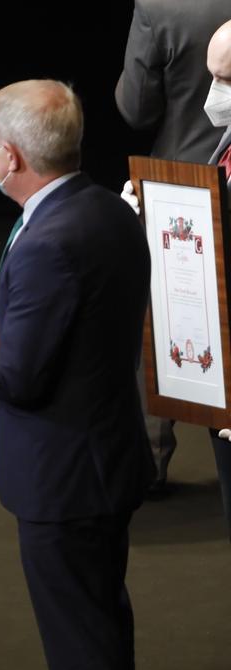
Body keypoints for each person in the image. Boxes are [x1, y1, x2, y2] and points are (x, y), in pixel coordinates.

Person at [0, 80, 155, 670]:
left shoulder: (45, 241)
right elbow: (85, 331)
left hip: (66, 479)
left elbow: (22, 381)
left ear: (12, 157)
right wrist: (7, 334)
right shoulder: (106, 209)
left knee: (79, 640)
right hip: (109, 459)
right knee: (100, 618)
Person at [115, 0, 231, 492]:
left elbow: (135, 108)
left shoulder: (162, 6)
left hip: (185, 178)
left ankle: (152, 460)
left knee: (168, 317)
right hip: (211, 168)